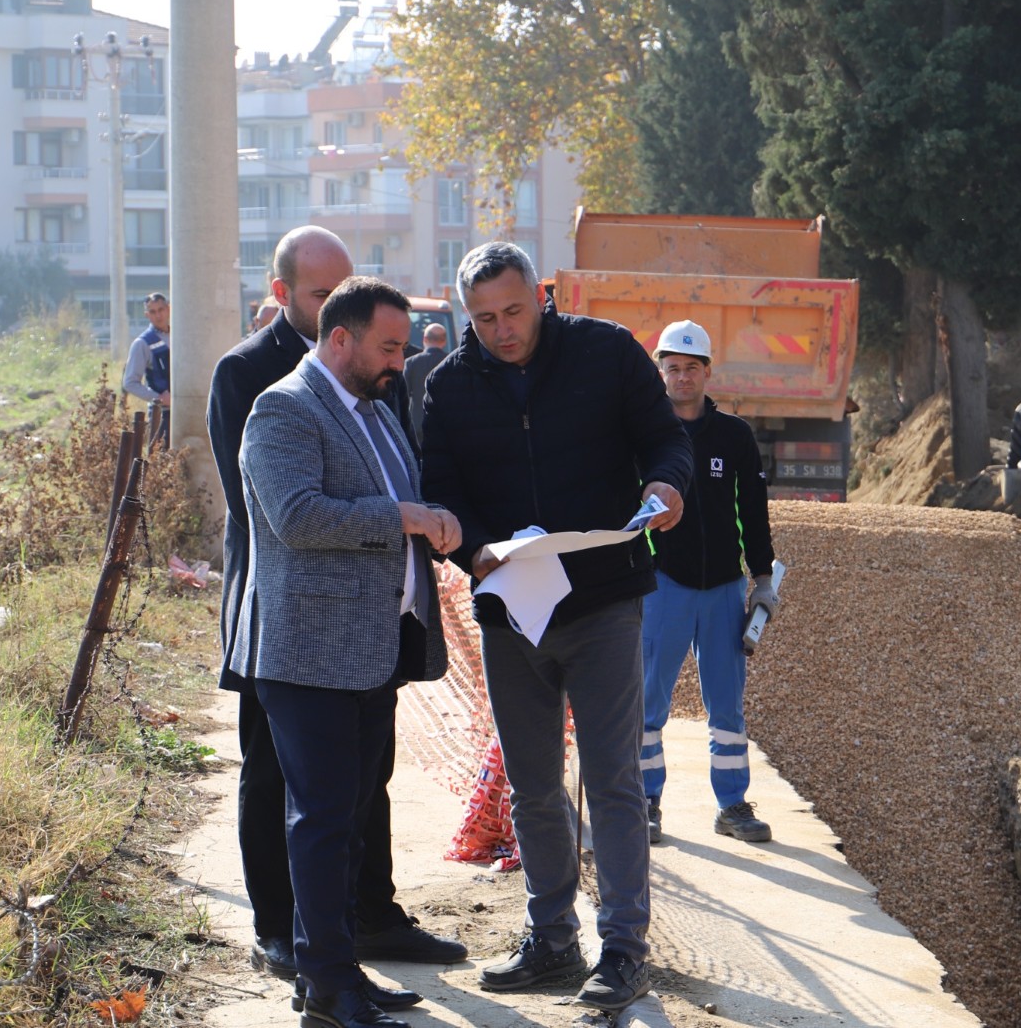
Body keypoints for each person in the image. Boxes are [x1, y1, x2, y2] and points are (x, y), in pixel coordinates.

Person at [421, 242, 690, 1013]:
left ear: (539, 294)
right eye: (483, 319)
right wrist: (477, 550)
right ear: (463, 315)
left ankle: (625, 949)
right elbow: (440, 490)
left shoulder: (606, 352)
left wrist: (667, 485)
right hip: (512, 609)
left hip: (605, 600)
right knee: (534, 785)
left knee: (611, 781)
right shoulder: (448, 387)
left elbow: (665, 438)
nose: (502, 331)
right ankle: (551, 938)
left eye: (513, 311)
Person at [206, 227, 461, 988]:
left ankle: (353, 933)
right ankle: (297, 948)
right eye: (391, 346)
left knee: (349, 800)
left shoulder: (373, 399)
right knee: (297, 797)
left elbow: (398, 483)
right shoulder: (268, 392)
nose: (403, 362)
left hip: (367, 636)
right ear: (331, 327)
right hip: (298, 631)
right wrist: (403, 519)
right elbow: (286, 516)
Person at [639, 320, 777, 845]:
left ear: (707, 372)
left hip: (722, 588)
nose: (682, 377)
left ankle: (733, 805)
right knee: (650, 700)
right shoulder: (645, 437)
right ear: (660, 372)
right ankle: (646, 802)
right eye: (672, 367)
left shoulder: (734, 436)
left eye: (691, 368)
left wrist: (761, 579)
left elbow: (752, 513)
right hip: (662, 586)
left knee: (727, 705)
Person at [122, 292, 171, 445]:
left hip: (186, 411)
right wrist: (158, 398)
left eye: (161, 309)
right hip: (163, 415)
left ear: (168, 309)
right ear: (147, 315)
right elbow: (130, 382)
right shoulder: (142, 343)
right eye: (153, 311)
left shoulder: (182, 336)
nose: (158, 315)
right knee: (163, 463)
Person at [400, 321, 449, 449]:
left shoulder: (411, 362)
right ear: (444, 341)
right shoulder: (452, 362)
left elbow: (403, 395)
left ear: (425, 339)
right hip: (447, 423)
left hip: (418, 423)